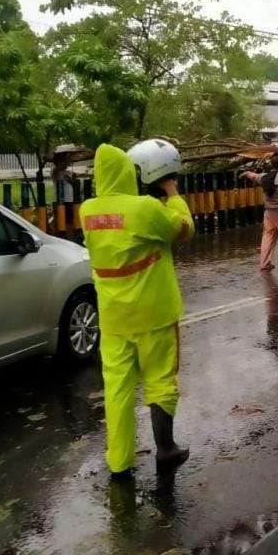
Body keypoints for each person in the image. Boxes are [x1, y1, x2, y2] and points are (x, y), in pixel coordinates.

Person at [81, 139, 194, 478]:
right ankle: (166, 449)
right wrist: (172, 192)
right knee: (160, 380)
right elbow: (184, 229)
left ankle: (119, 461)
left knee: (116, 388)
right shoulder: (143, 208)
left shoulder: (87, 211)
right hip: (154, 313)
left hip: (113, 317)